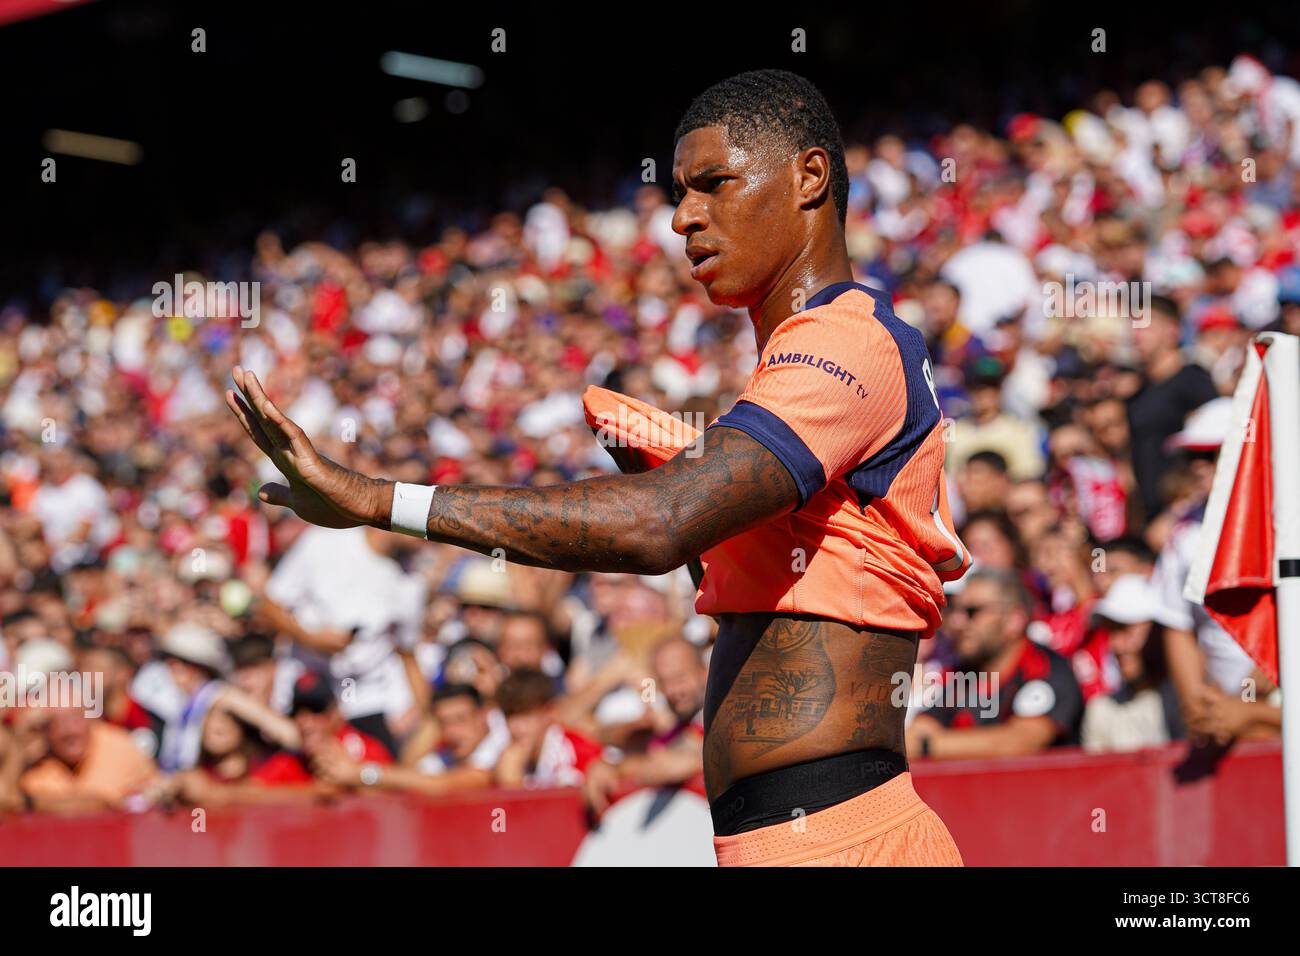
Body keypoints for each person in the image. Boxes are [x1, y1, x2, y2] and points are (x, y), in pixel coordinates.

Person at [225, 69, 968, 866]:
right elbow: (775, 595)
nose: (684, 217)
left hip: (842, 840)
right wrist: (702, 531)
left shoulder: (843, 342)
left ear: (809, 177)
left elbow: (652, 526)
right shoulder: (818, 353)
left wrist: (374, 500)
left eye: (714, 184)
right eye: (681, 192)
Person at [907, 568, 1084, 758]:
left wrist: (927, 746)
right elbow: (916, 733)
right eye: (954, 611)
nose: (957, 622)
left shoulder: (1045, 668)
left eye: (972, 612)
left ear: (1014, 621)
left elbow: (1019, 742)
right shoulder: (965, 675)